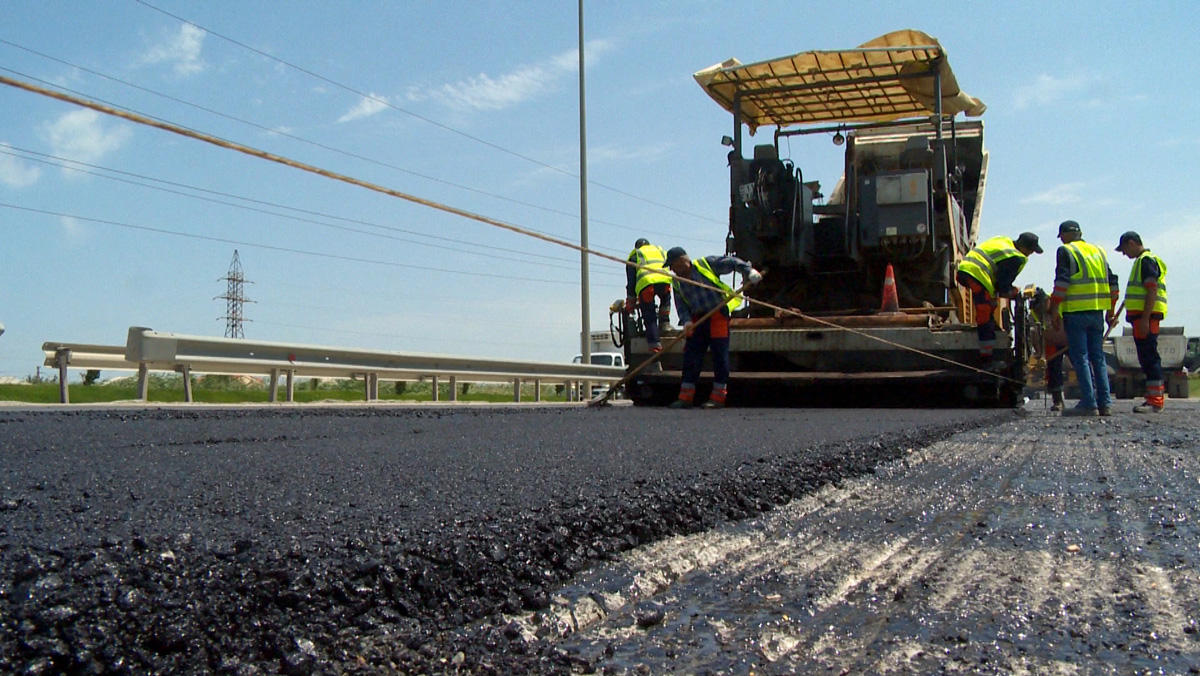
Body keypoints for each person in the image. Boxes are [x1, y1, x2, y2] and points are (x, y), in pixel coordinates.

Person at [664, 247, 762, 408]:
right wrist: (686, 321)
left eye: (672, 265)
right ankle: (685, 398)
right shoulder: (677, 282)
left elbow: (731, 262)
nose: (671, 269)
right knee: (691, 357)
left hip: (717, 316)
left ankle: (718, 398)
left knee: (719, 356)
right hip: (697, 319)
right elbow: (681, 306)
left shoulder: (706, 264)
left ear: (682, 261)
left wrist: (748, 271)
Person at [1047, 220, 1119, 417]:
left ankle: (1089, 403)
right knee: (1098, 357)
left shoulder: (1066, 251)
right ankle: (1105, 403)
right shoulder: (1098, 252)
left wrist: (1054, 311)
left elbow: (1061, 284)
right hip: (1097, 312)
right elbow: (1113, 284)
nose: (1061, 239)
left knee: (1081, 357)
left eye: (1061, 235)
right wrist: (1110, 312)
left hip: (1076, 312)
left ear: (1067, 235)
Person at [956, 232, 1044, 367]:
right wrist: (1013, 291)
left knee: (989, 306)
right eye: (1031, 251)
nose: (1030, 254)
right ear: (1024, 248)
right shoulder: (1016, 257)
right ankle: (987, 359)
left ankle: (990, 333)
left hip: (964, 269)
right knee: (984, 312)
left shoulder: (1003, 241)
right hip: (977, 275)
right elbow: (1002, 286)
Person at [1115, 231, 1168, 413]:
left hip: (1147, 318)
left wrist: (1145, 318)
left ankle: (1155, 401)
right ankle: (1153, 399)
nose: (1124, 254)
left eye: (1124, 249)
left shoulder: (1146, 260)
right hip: (1141, 318)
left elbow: (1151, 289)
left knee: (1149, 357)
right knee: (1147, 357)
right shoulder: (1142, 261)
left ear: (1132, 243)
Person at [626, 238, 673, 352]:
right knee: (665, 303)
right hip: (665, 281)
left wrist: (631, 302)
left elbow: (631, 282)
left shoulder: (635, 255)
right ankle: (665, 324)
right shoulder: (659, 250)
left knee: (649, 315)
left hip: (647, 284)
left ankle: (654, 345)